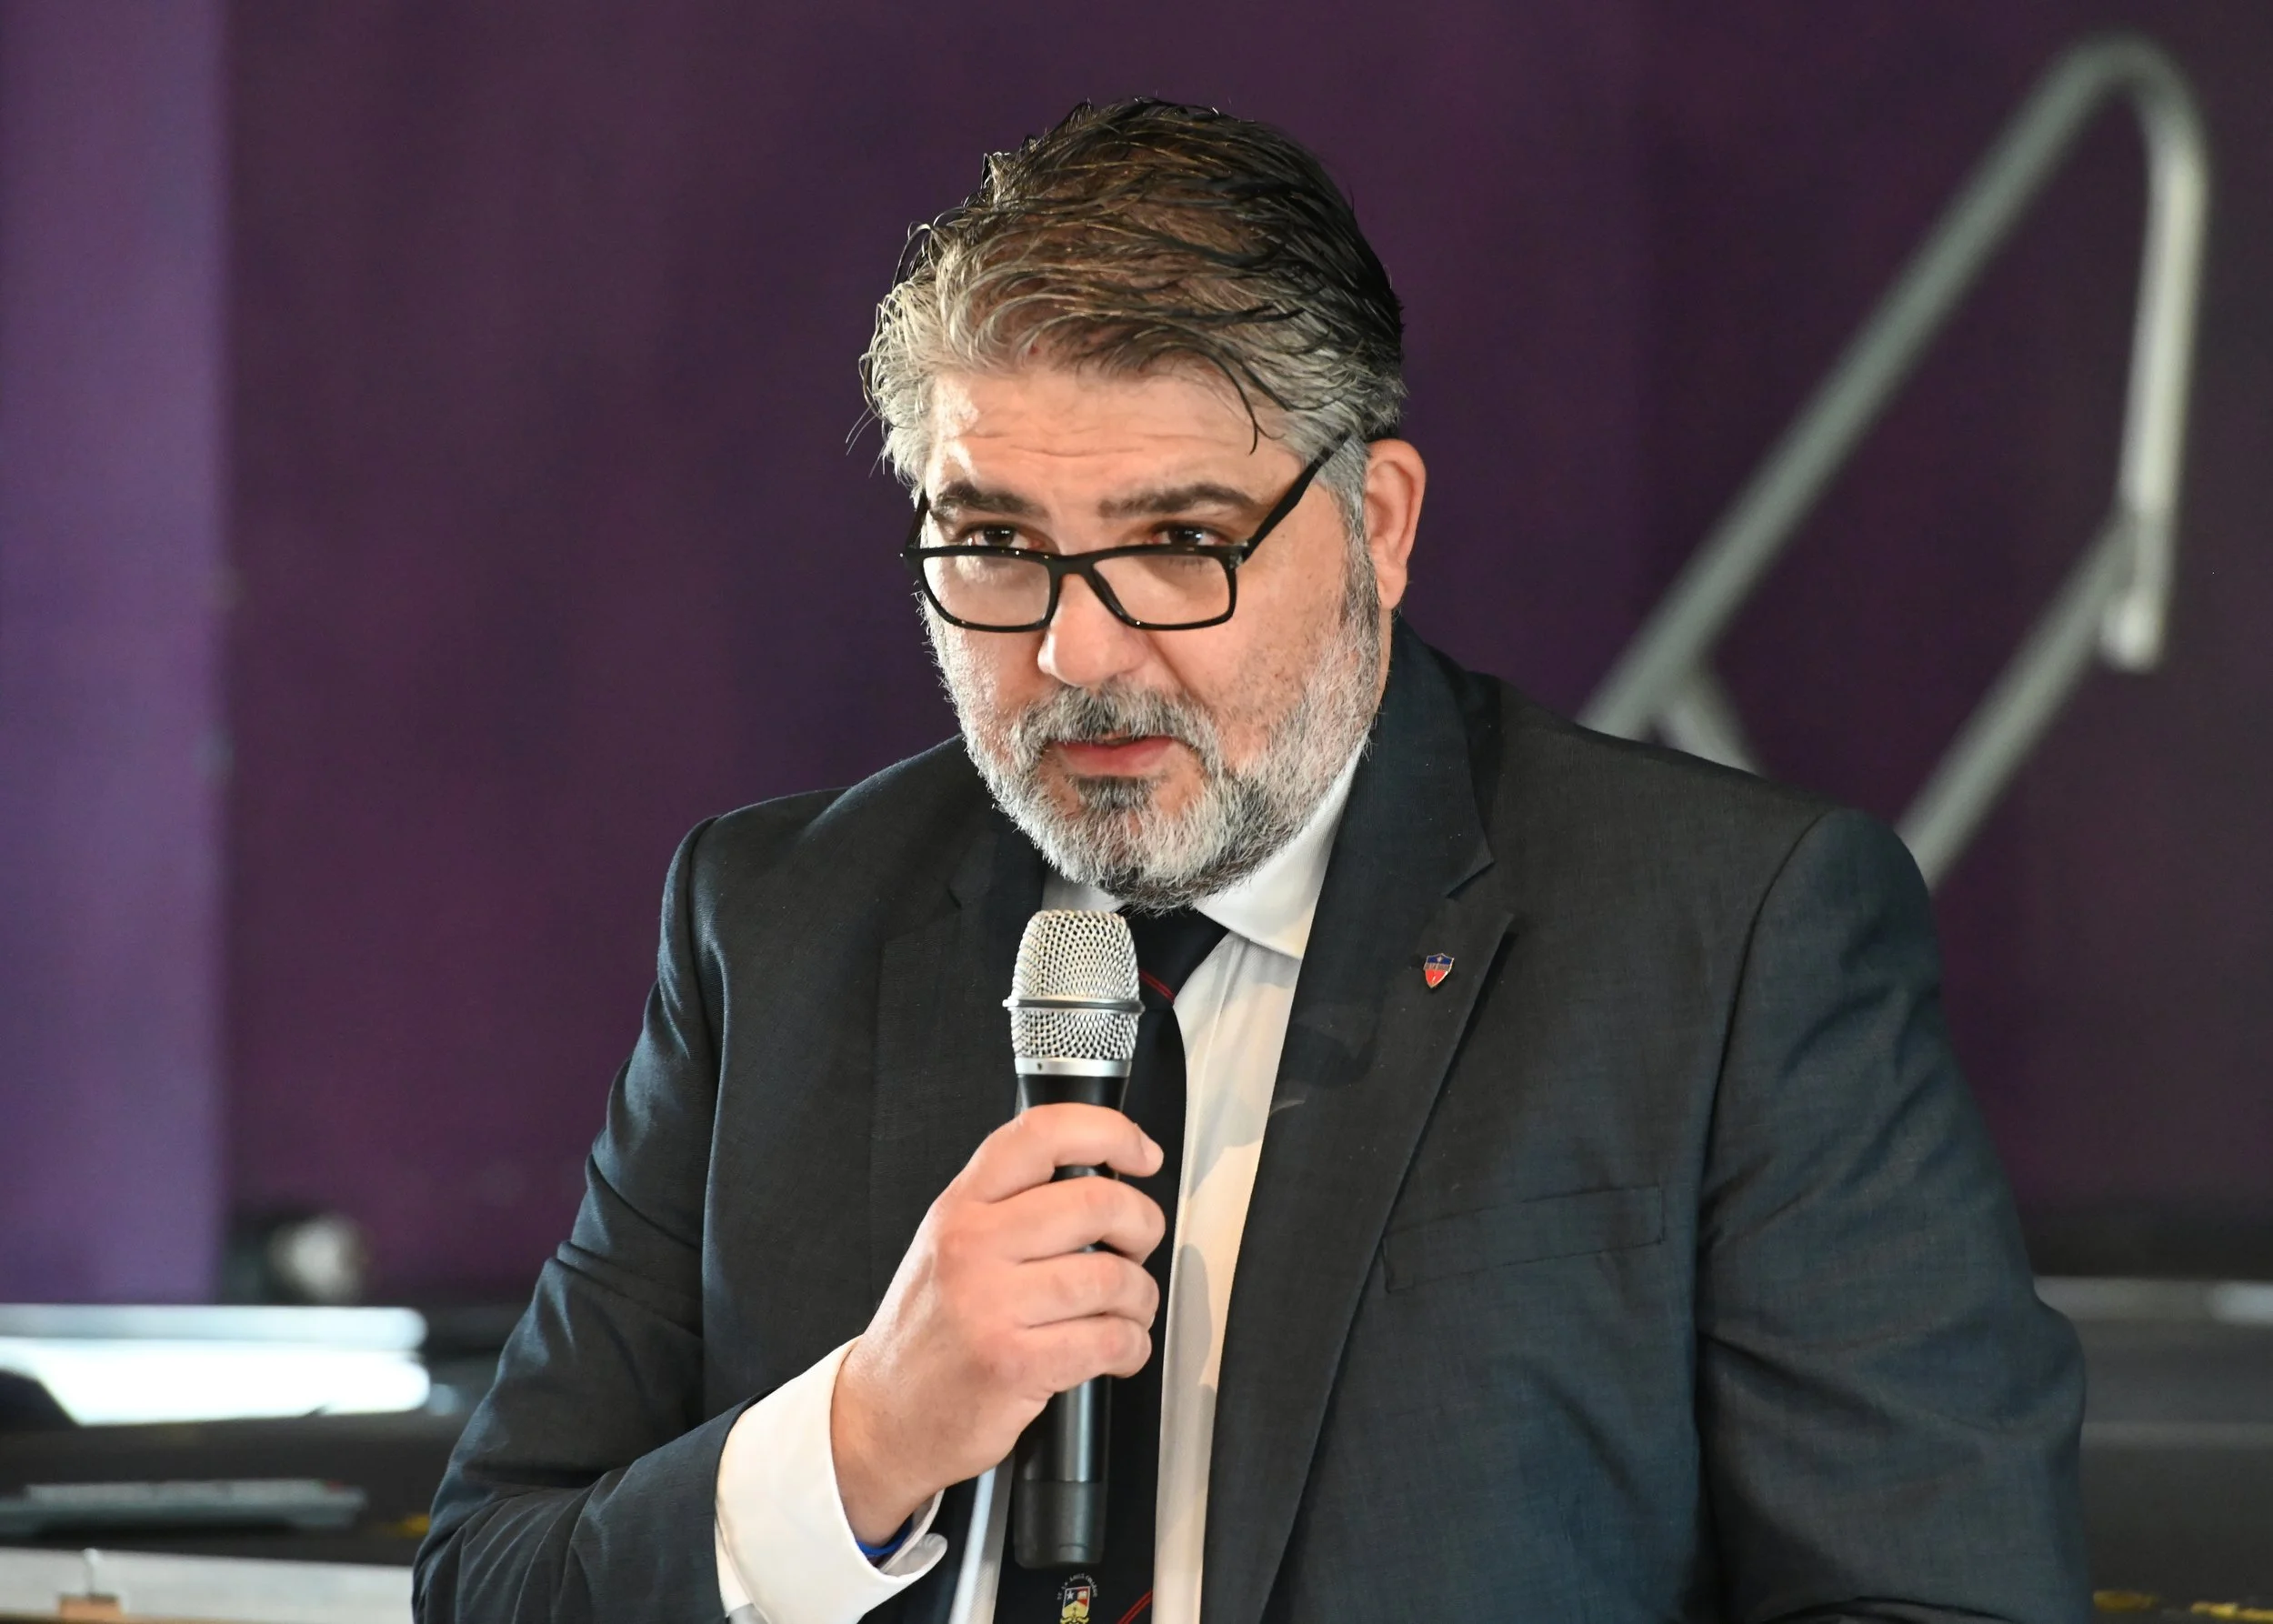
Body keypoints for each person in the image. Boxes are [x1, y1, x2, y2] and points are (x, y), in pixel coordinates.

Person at [415, 100, 2087, 1624]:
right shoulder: (774, 922)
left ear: (1378, 527)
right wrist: (863, 1437)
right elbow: (489, 1580)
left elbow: (1941, 1600)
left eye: (1178, 542)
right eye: (992, 543)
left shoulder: (1729, 939)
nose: (1074, 654)